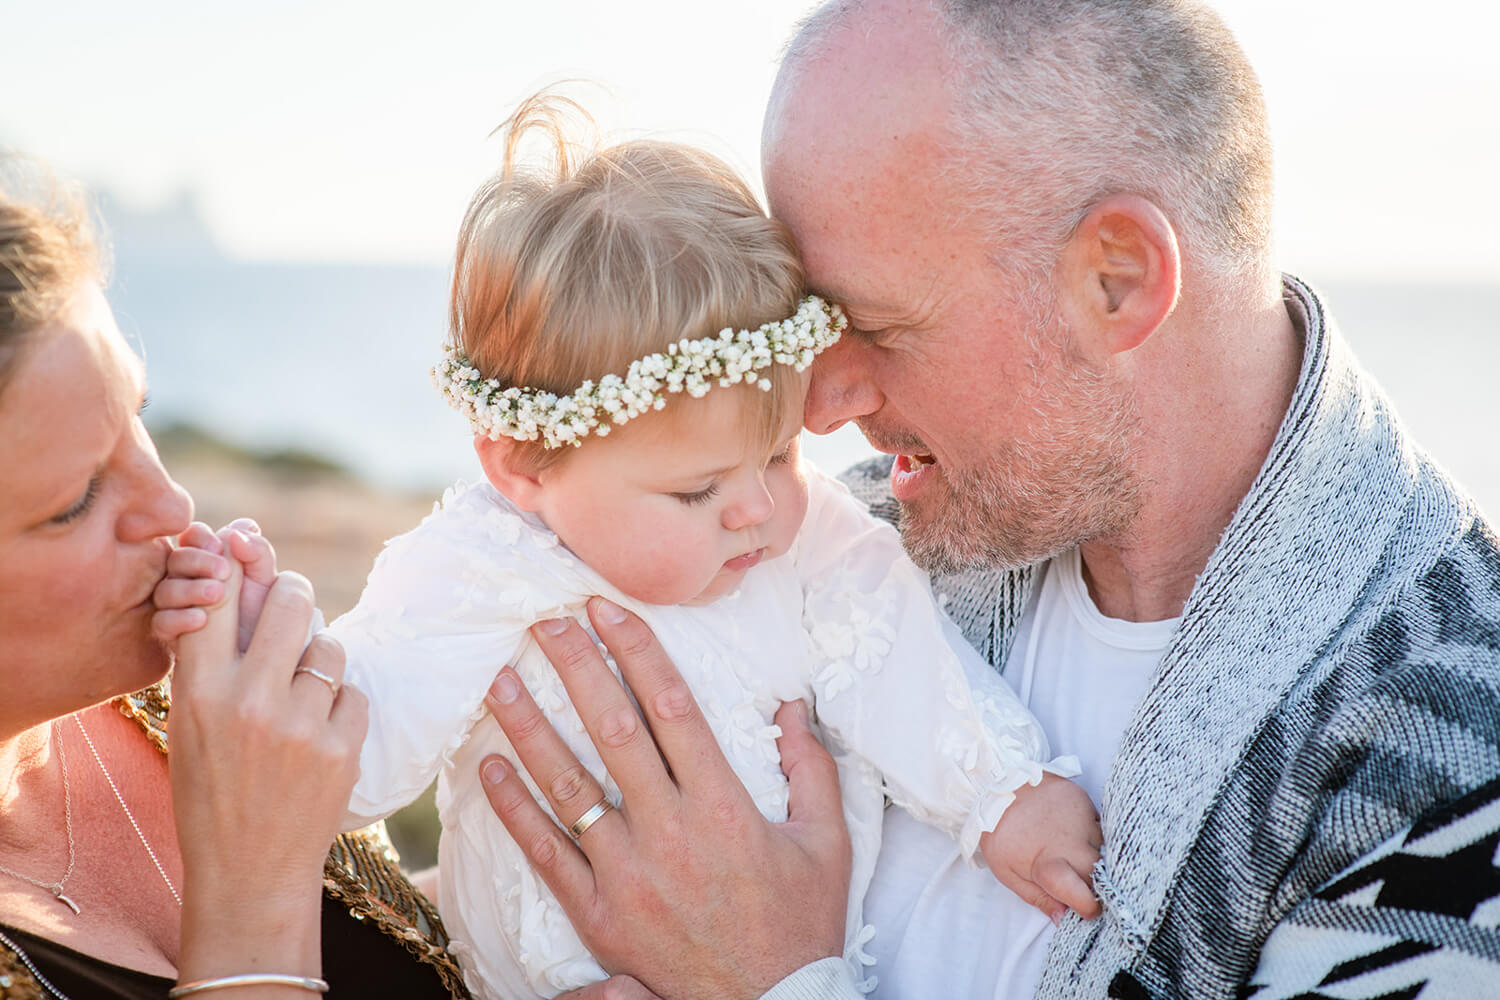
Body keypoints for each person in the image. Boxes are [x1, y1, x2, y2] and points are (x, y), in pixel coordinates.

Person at [473, 1, 1500, 998]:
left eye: (871, 323)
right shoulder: (849, 544)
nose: (820, 406)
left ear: (1118, 279)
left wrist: (767, 983)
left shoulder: (1454, 752)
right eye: (801, 327)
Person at [157, 96, 1102, 999]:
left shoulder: (814, 541)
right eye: (696, 489)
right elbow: (364, 746)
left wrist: (1000, 794)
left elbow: (896, 656)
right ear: (525, 465)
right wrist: (252, 642)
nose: (756, 509)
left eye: (777, 453)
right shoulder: (476, 567)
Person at [0, 165, 471, 997]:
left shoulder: (177, 708)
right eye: (75, 500)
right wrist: (253, 888)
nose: (171, 502)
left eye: (136, 417)